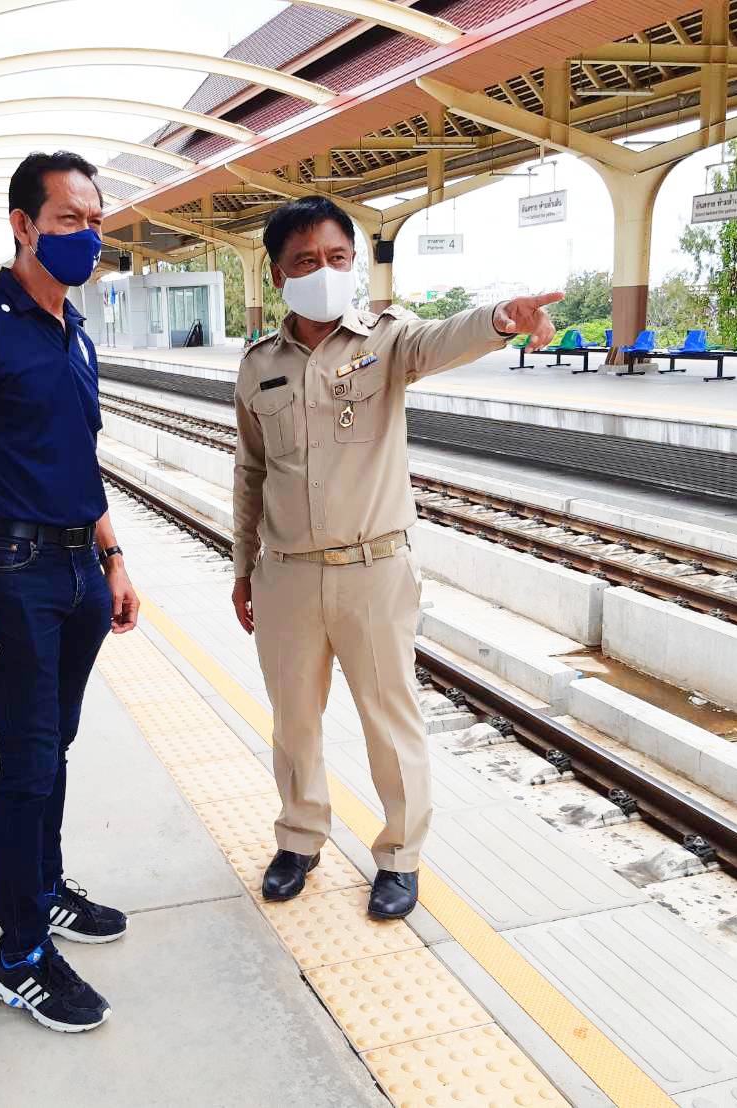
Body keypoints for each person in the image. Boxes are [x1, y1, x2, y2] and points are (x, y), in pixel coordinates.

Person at [231, 195, 559, 920]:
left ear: (354, 262)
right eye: (305, 261)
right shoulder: (258, 366)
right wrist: (242, 567)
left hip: (373, 570)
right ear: (278, 273)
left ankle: (400, 856)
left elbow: (445, 339)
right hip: (286, 575)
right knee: (293, 720)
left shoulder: (387, 341)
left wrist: (502, 317)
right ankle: (299, 838)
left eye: (336, 257)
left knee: (390, 719)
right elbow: (251, 472)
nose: (323, 271)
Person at [0, 150, 140, 1035]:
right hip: (9, 570)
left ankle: (44, 891)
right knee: (27, 760)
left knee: (57, 747)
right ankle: (18, 958)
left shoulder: (74, 331)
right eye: (67, 220)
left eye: (94, 221)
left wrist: (113, 558)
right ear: (22, 225)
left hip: (78, 568)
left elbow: (78, 457)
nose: (86, 235)